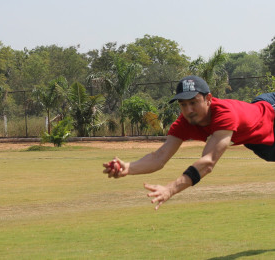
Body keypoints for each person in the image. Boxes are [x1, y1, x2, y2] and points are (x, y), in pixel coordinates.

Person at [103, 75, 275, 210]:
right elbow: (159, 157)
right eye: (183, 104)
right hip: (261, 143)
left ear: (208, 99)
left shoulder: (224, 114)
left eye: (194, 102)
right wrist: (128, 167)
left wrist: (170, 189)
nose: (188, 110)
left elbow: (207, 163)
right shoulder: (183, 123)